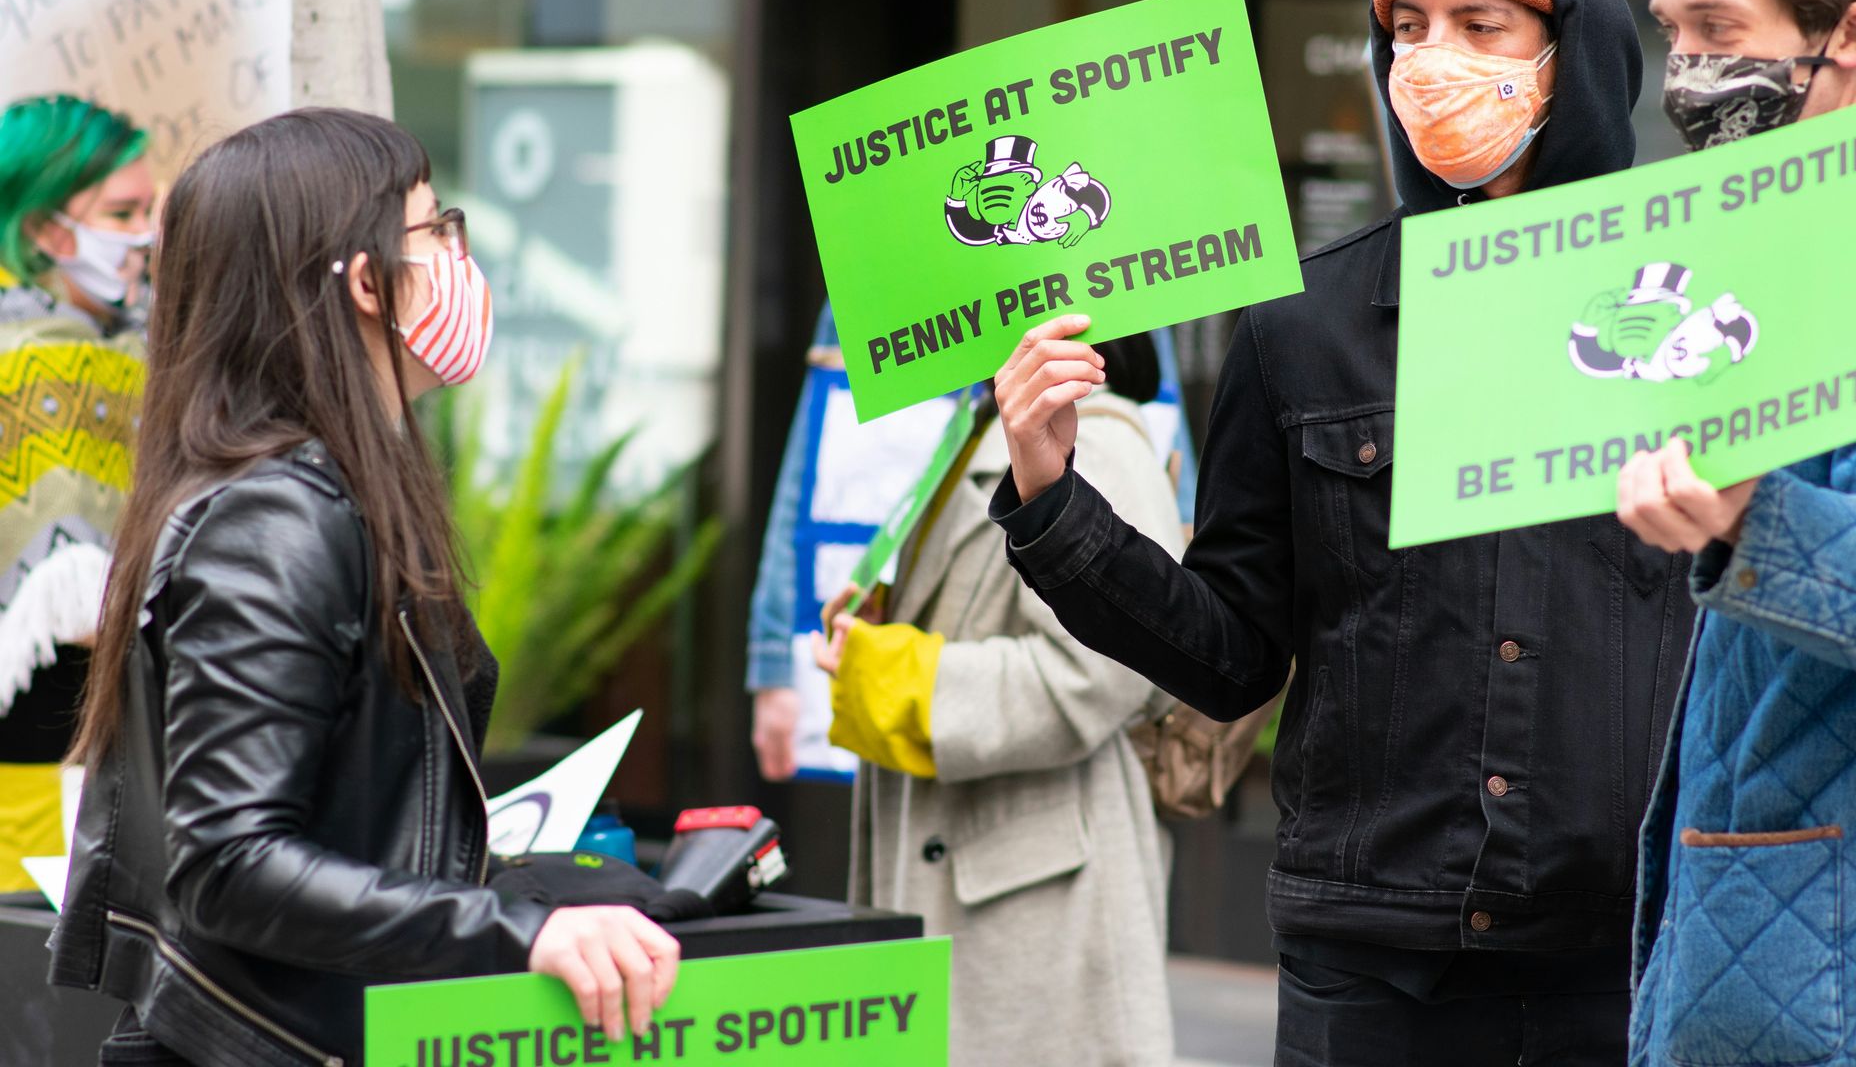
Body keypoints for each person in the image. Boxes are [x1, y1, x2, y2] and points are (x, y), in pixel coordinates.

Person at [989, 0, 1696, 1065]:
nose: (1434, 61)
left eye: (1483, 25)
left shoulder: (1688, 307)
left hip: (1628, 957)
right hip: (1370, 975)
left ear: (1570, 47)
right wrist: (1054, 496)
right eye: (1407, 28)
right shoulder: (1302, 325)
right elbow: (1228, 653)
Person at [49, 109, 678, 1067]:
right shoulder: (276, 519)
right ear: (366, 282)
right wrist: (512, 930)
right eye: (438, 229)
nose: (461, 256)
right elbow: (230, 862)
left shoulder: (326, 488)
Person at [1619, 0, 1856, 1067]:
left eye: (1717, 32)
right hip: (1785, 975)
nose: (1684, 69)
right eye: (1670, 32)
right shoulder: (1796, 235)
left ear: (1849, 36)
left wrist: (1757, 520)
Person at [815, 333, 1182, 1066]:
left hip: (1036, 903)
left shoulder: (1093, 436)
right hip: (983, 872)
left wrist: (901, 676)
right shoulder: (982, 422)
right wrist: (886, 629)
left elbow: (1105, 674)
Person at [0, 95, 154, 894]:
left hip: (114, 756)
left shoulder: (142, 339)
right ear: (42, 228)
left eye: (148, 211)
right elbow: (75, 603)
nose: (142, 236)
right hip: (19, 763)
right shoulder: (14, 349)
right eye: (121, 212)